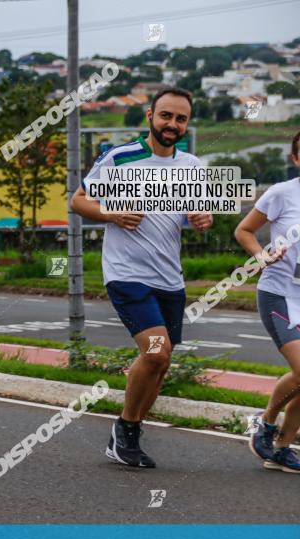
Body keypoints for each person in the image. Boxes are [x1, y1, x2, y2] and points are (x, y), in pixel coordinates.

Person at [70, 87, 213, 468]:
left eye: (180, 118)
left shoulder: (192, 166)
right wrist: (113, 213)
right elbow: (79, 200)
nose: (172, 124)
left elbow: (193, 214)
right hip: (126, 272)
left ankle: (127, 429)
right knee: (157, 350)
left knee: (159, 362)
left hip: (169, 276)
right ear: (150, 115)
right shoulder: (122, 157)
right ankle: (127, 431)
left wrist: (201, 218)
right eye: (166, 115)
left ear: (186, 123)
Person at [234, 130, 300, 474]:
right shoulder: (282, 194)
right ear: (296, 159)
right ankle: (267, 422)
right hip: (278, 293)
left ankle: (282, 449)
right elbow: (244, 231)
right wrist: (262, 255)